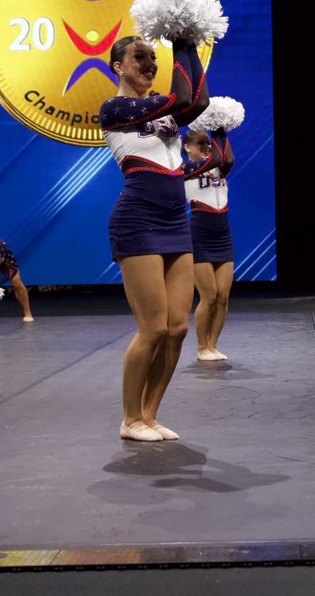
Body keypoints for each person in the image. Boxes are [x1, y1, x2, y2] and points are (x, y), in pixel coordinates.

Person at [102, 33, 208, 442]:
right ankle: (130, 419)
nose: (148, 64)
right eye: (139, 57)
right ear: (118, 66)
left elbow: (196, 100)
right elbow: (184, 98)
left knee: (178, 327)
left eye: (153, 57)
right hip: (138, 221)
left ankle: (149, 414)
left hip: (175, 223)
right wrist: (179, 42)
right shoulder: (115, 109)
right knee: (153, 329)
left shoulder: (164, 112)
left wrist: (190, 42)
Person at [182, 127, 236, 361]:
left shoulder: (219, 169)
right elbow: (218, 156)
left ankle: (213, 345)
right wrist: (216, 130)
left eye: (208, 144)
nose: (206, 148)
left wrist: (220, 129)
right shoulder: (185, 170)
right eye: (200, 144)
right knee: (209, 295)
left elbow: (228, 158)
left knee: (223, 295)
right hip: (200, 235)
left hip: (223, 235)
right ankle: (202, 347)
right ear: (187, 148)